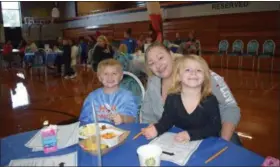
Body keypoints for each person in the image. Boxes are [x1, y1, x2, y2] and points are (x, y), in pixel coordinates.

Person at [140, 42, 242, 145]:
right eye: (151, 63)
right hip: (174, 140)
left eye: (161, 58)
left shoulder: (198, 75)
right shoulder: (153, 83)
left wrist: (223, 141)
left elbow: (230, 108)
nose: (158, 65)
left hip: (212, 135)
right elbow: (147, 117)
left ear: (171, 54)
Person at [142, 55, 221, 141]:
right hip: (181, 144)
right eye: (187, 70)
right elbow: (166, 121)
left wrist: (190, 135)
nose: (193, 73)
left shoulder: (210, 100)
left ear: (205, 77)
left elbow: (215, 128)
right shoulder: (172, 98)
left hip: (206, 144)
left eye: (199, 70)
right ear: (178, 76)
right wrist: (156, 129)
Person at [79, 59, 138, 125]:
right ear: (99, 77)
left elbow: (132, 119)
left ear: (121, 77)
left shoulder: (127, 97)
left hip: (122, 132)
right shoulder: (92, 98)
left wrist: (123, 118)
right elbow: (84, 121)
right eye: (105, 74)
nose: (110, 77)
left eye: (114, 73)